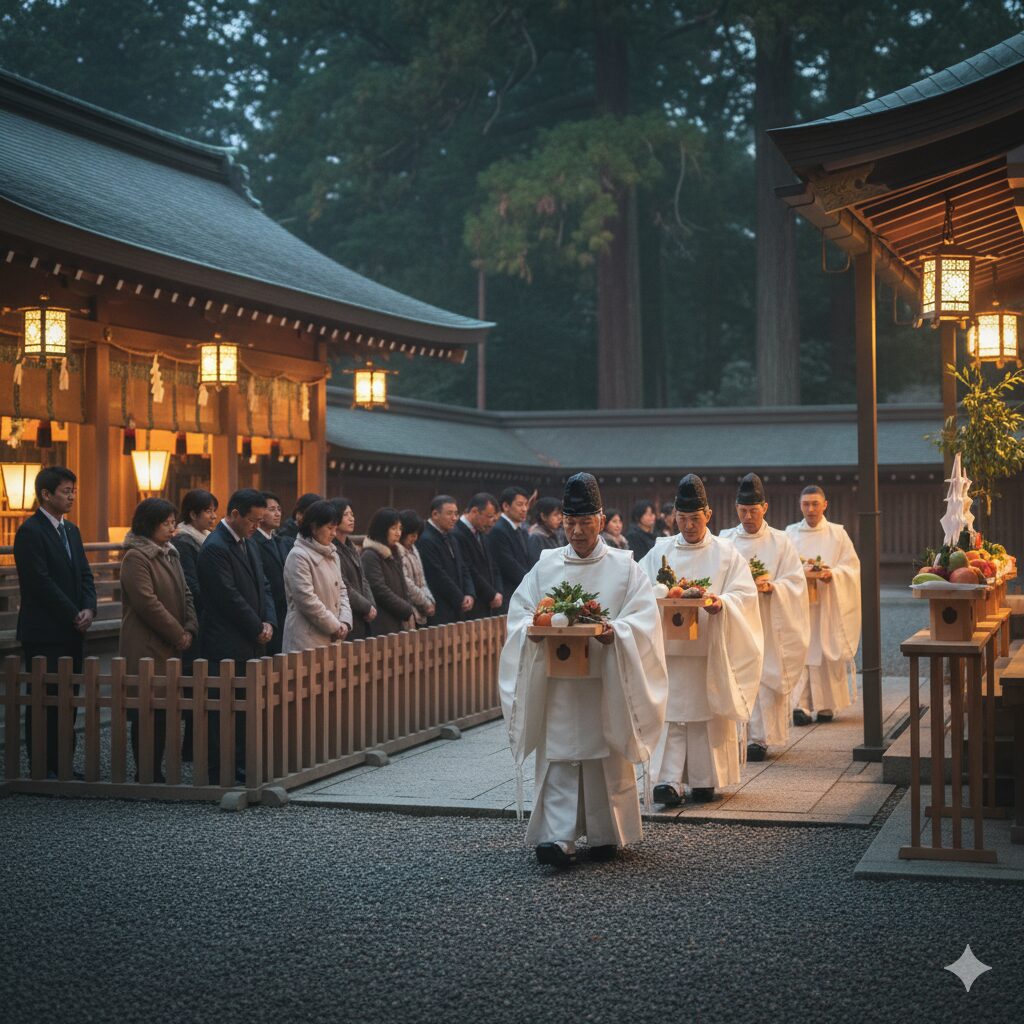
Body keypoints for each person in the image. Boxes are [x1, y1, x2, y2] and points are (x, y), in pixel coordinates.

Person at [499, 472, 667, 868]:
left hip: (604, 680)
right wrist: (532, 632)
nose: (575, 530)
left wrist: (617, 633)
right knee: (560, 753)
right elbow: (520, 613)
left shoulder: (626, 569)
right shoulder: (545, 566)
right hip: (560, 682)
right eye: (569, 522)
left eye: (584, 522)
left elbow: (644, 619)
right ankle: (558, 837)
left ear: (601, 519)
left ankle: (608, 832)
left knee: (604, 753)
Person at [640, 474, 762, 806]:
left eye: (695, 518)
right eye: (682, 518)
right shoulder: (660, 551)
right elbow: (638, 591)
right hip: (671, 650)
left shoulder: (726, 553)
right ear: (673, 517)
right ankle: (669, 780)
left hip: (709, 647)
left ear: (708, 515)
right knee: (674, 715)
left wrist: (723, 603)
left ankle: (706, 779)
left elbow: (744, 595)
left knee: (707, 712)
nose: (689, 525)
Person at [719, 474, 809, 761]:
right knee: (736, 672)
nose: (747, 516)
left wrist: (774, 586)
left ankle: (759, 737)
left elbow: (795, 581)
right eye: (742, 510)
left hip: (770, 617)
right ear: (736, 509)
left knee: (763, 675)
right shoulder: (724, 540)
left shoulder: (781, 541)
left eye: (753, 510)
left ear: (765, 508)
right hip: (736, 618)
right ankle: (735, 734)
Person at [13, 466, 96, 779]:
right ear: (46, 494)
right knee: (43, 698)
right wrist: (73, 612)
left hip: (73, 628)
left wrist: (89, 608)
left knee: (68, 697)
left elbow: (86, 575)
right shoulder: (31, 531)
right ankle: (41, 764)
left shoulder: (71, 531)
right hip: (45, 629)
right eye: (65, 491)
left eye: (73, 490)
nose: (71, 496)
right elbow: (39, 582)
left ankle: (63, 761)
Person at [197, 488, 277, 784]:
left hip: (252, 635)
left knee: (246, 708)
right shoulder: (215, 547)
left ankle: (243, 763)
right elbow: (227, 597)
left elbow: (264, 585)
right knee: (224, 709)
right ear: (234, 515)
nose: (257, 525)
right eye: (253, 520)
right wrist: (257, 626)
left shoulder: (249, 542)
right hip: (227, 639)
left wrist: (269, 620)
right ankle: (220, 770)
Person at [119, 497, 198, 783]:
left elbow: (186, 593)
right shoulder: (136, 557)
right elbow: (146, 603)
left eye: (172, 522)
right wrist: (179, 634)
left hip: (173, 641)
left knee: (166, 710)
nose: (171, 527)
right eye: (165, 523)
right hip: (147, 643)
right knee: (146, 709)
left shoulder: (171, 553)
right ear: (149, 524)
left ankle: (159, 767)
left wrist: (190, 626)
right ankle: (147, 770)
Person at [786, 485, 861, 725]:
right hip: (800, 605)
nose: (810, 509)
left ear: (825, 505)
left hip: (828, 604)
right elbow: (783, 567)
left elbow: (851, 567)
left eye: (815, 504)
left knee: (827, 652)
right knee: (802, 652)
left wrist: (834, 575)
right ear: (800, 506)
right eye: (806, 504)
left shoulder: (838, 534)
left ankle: (827, 705)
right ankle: (801, 705)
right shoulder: (789, 534)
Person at [171, 488, 217, 762]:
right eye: (208, 511)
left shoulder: (206, 539)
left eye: (214, 510)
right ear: (192, 514)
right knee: (193, 684)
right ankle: (189, 747)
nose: (213, 516)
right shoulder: (185, 542)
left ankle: (195, 744)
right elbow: (192, 584)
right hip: (196, 619)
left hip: (207, 618)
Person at [281, 499, 352, 653]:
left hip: (333, 635)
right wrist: (335, 625)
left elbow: (342, 589)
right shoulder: (299, 555)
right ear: (314, 528)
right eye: (329, 528)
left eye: (335, 528)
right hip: (306, 638)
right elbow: (306, 599)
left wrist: (345, 621)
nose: (334, 533)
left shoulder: (332, 553)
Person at [418, 494, 475, 625]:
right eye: (450, 514)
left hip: (458, 605)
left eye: (456, 513)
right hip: (440, 607)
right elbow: (437, 575)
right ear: (435, 514)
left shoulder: (452, 537)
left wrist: (469, 593)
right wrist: (460, 598)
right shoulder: (426, 539)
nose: (454, 518)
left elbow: (463, 567)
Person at [361, 507, 416, 635]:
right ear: (382, 529)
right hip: (382, 622)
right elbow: (379, 589)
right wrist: (405, 608)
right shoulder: (370, 555)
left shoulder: (394, 551)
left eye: (400, 528)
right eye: (393, 528)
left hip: (396, 619)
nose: (398, 533)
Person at [331, 497, 378, 639]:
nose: (351, 518)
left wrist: (371, 606)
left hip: (362, 615)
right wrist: (366, 607)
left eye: (352, 514)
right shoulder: (332, 549)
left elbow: (363, 579)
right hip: (346, 615)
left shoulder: (351, 547)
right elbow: (344, 586)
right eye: (346, 515)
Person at [453, 493, 502, 618]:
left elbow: (493, 565)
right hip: (474, 602)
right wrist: (491, 594)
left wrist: (498, 592)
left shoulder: (481, 532)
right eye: (489, 517)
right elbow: (470, 568)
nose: (491, 523)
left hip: (489, 602)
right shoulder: (457, 533)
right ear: (475, 511)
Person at [253, 490, 287, 656]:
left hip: (284, 611)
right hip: (267, 613)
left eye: (279, 509)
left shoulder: (277, 540)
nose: (277, 513)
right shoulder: (253, 542)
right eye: (272, 509)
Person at [486, 485, 531, 608]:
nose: (524, 509)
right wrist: (530, 582)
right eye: (520, 504)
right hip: (508, 593)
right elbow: (508, 564)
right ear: (506, 506)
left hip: (523, 590)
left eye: (526, 504)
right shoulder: (498, 530)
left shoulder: (522, 530)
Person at [397, 510, 435, 626]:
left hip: (421, 610)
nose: (415, 538)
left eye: (417, 535)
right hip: (408, 610)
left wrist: (430, 600)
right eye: (412, 535)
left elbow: (422, 579)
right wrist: (425, 602)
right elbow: (406, 582)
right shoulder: (397, 551)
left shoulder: (414, 549)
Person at [527, 496, 563, 564]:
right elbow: (536, 563)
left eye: (560, 514)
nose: (560, 517)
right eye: (555, 514)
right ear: (543, 516)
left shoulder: (553, 532)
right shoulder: (536, 536)